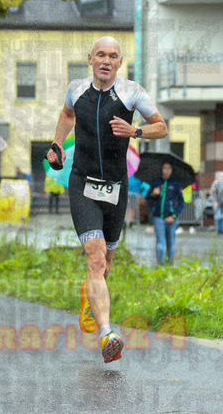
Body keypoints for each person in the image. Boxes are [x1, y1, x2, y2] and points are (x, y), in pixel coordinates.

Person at [46, 36, 168, 363]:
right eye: (100, 54)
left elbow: (161, 127)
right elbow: (67, 115)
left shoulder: (132, 92)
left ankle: (90, 295)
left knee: (107, 262)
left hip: (116, 187)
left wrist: (135, 132)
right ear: (90, 59)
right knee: (96, 259)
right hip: (82, 183)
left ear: (119, 62)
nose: (106, 60)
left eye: (113, 56)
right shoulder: (76, 89)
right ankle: (107, 334)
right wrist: (57, 144)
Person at [147, 163, 184, 265]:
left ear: (172, 170)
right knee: (160, 242)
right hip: (158, 217)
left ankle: (169, 265)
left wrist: (174, 215)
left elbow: (181, 202)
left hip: (171, 218)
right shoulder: (156, 182)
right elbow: (148, 199)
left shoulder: (175, 184)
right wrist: (153, 193)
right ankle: (160, 265)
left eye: (169, 168)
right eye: (165, 168)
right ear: (162, 169)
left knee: (170, 243)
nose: (167, 170)